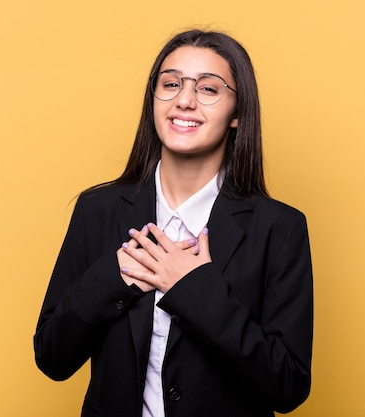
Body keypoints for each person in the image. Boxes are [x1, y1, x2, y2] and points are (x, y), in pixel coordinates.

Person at [34, 29, 313, 417]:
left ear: (236, 113)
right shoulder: (97, 210)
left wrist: (194, 288)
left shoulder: (279, 229)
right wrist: (114, 278)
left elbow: (288, 387)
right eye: (170, 84)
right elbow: (52, 357)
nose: (184, 100)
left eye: (209, 90)